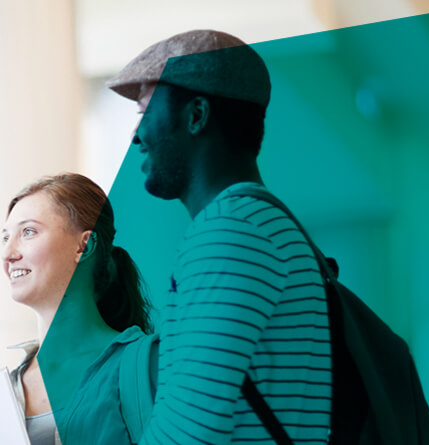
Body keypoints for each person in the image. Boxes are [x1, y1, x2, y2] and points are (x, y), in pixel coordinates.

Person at [107, 30, 335, 444]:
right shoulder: (258, 225)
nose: (135, 138)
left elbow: (187, 434)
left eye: (145, 114)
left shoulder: (231, 235)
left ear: (196, 116)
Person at [0, 173, 152, 445]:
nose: (8, 254)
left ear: (84, 245)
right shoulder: (5, 391)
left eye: (28, 232)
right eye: (5, 237)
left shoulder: (143, 363)